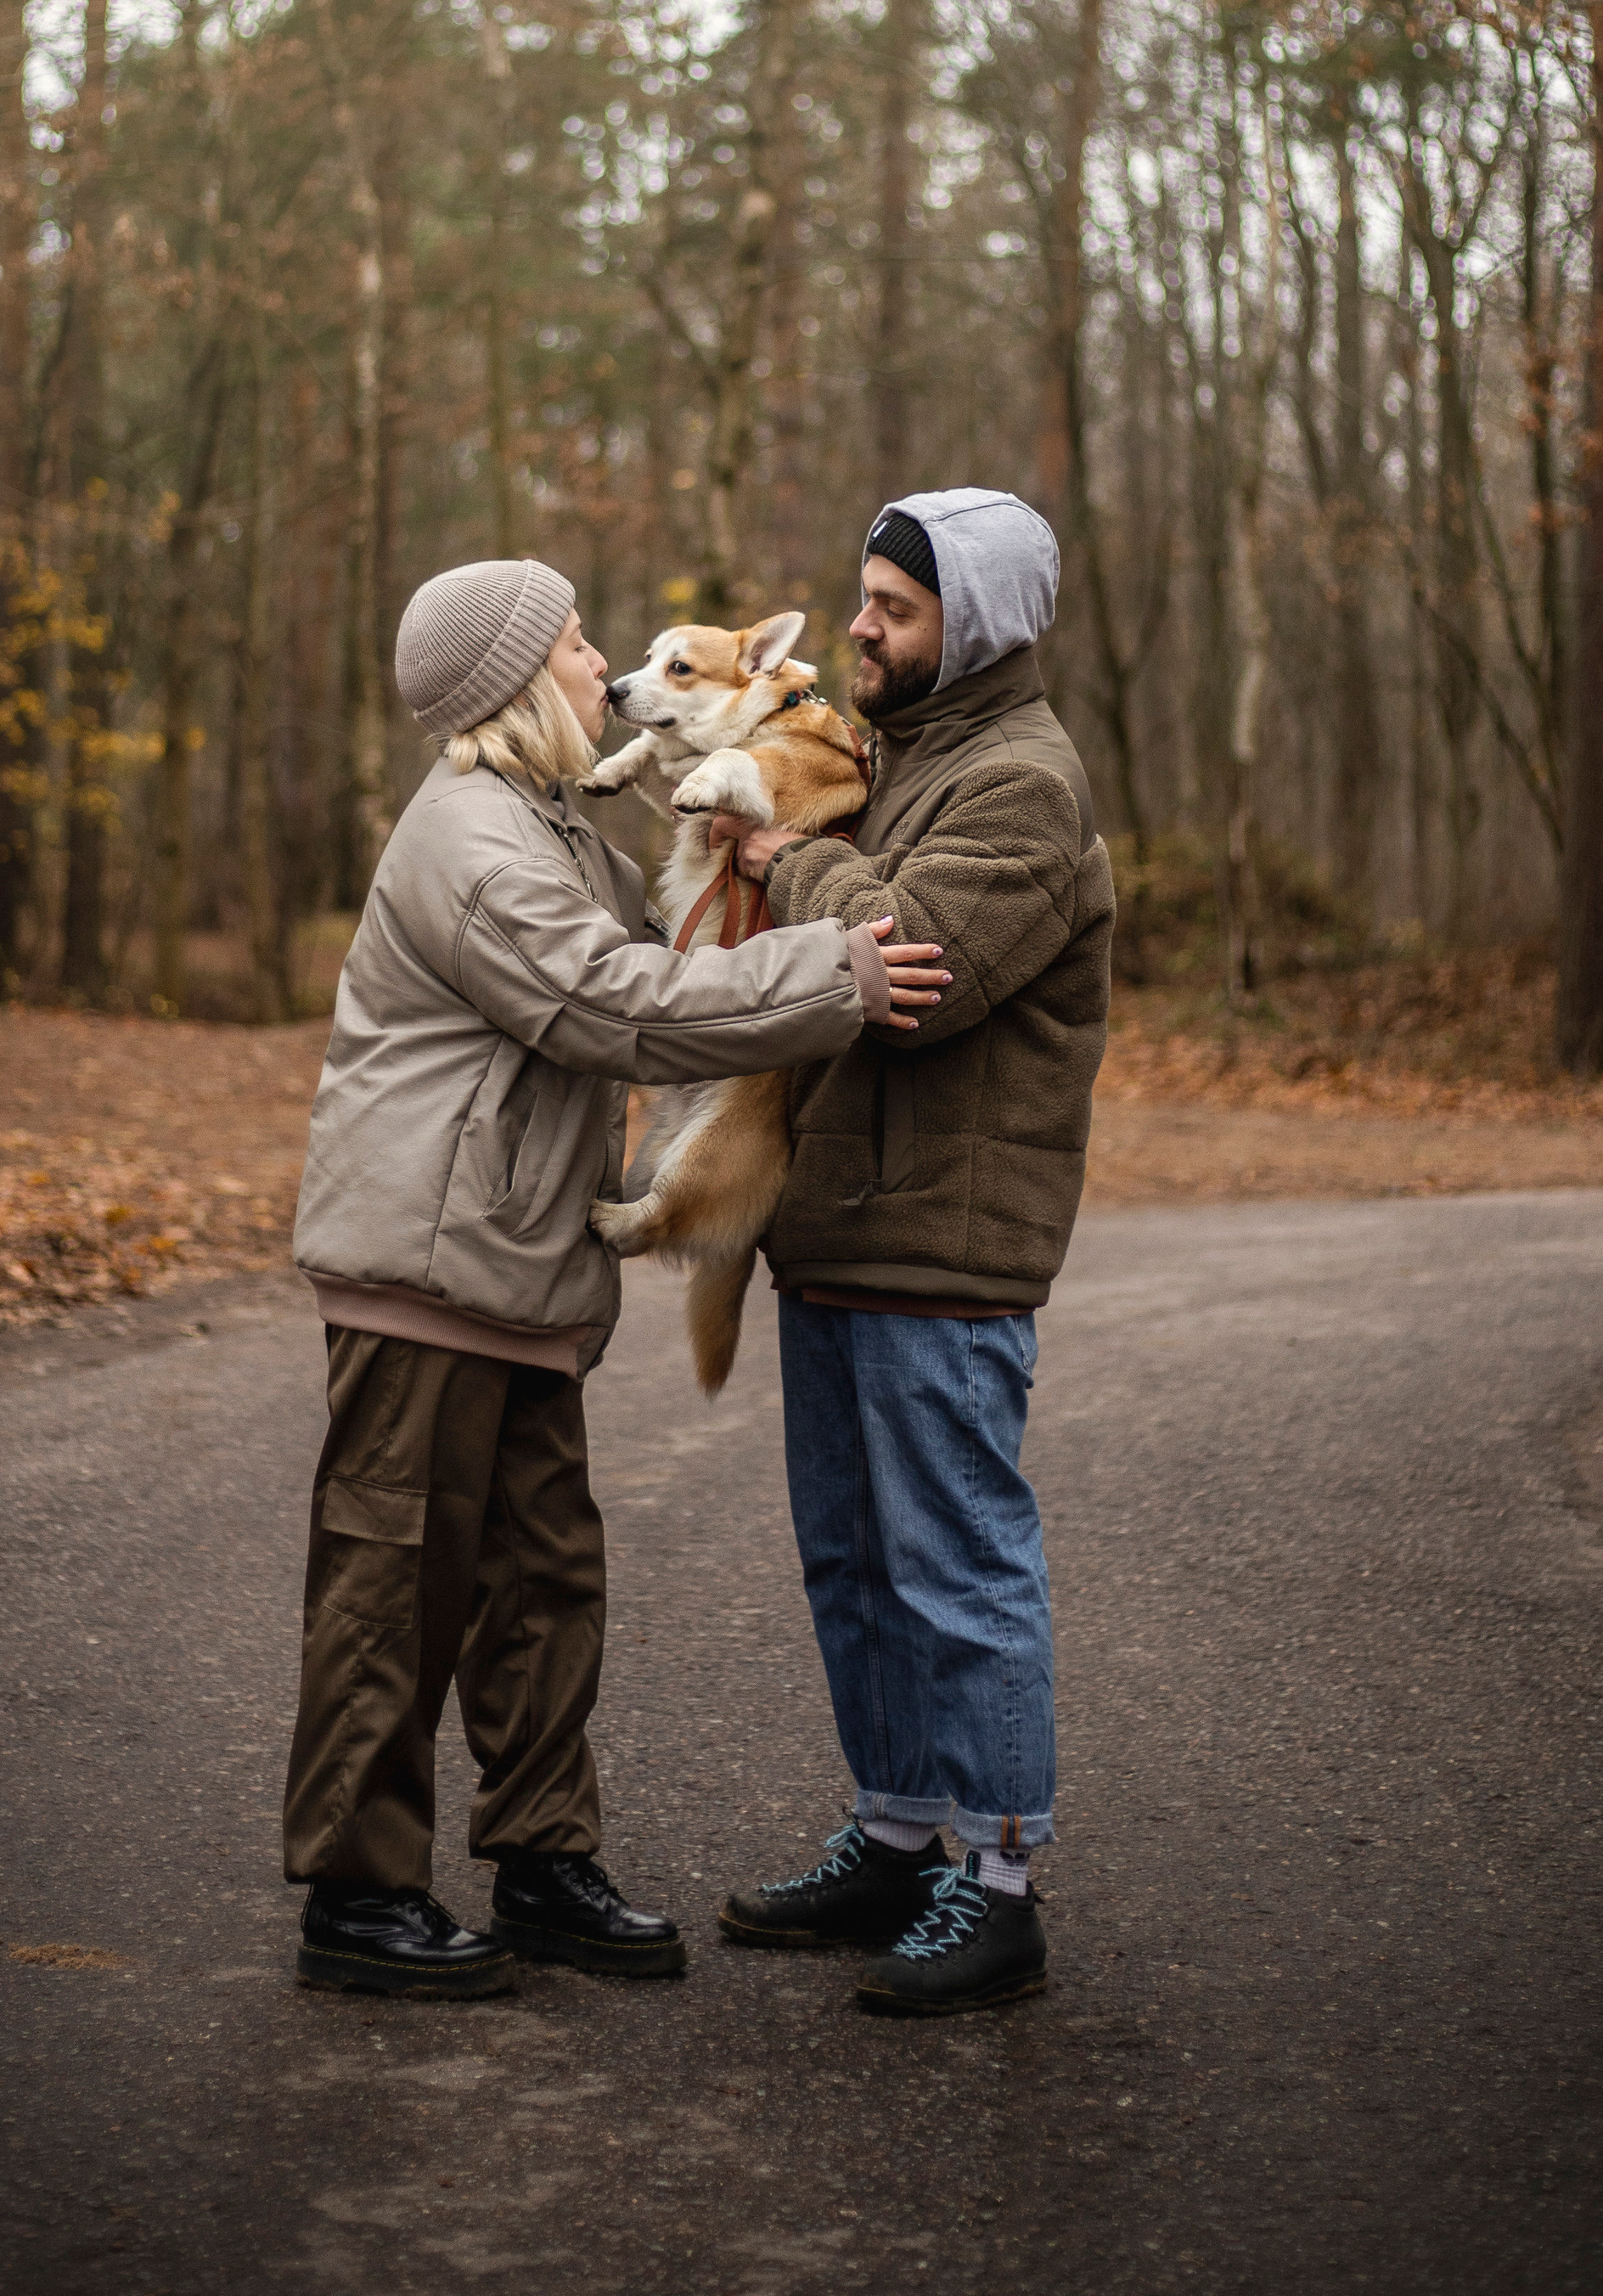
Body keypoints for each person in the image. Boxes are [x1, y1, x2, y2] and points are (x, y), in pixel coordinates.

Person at [283, 555, 948, 2001]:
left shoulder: (552, 823)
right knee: (395, 1586)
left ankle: (542, 1861)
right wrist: (831, 978)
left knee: (542, 1583)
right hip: (429, 1268)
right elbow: (607, 1004)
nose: (604, 668)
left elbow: (669, 942)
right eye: (580, 646)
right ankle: (356, 1893)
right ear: (521, 681)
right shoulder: (473, 837)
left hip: (515, 1269)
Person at [711, 489, 1116, 2016]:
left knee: (957, 1572)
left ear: (981, 625)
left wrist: (785, 851)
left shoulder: (1020, 787)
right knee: (856, 1567)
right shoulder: (900, 760)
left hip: (944, 1253)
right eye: (866, 598)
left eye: (895, 607)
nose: (861, 627)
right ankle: (895, 1836)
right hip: (837, 1231)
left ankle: (1000, 1886)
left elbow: (912, 979)